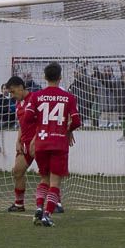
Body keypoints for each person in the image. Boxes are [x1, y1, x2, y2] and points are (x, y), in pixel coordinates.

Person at [24, 62, 81, 227]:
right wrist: (68, 130)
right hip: (59, 142)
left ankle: (38, 209)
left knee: (44, 178)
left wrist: (42, 124)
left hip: (41, 142)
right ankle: (47, 215)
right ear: (60, 77)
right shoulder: (69, 97)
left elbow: (27, 119)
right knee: (55, 182)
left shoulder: (36, 96)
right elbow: (76, 121)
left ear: (44, 77)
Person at [4, 75, 36, 213]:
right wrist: (18, 141)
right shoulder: (18, 104)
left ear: (20, 87)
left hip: (39, 142)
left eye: (13, 91)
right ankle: (19, 204)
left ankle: (56, 203)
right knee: (17, 171)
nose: (12, 95)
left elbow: (42, 121)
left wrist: (36, 139)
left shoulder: (35, 99)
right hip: (25, 144)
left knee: (46, 173)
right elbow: (21, 125)